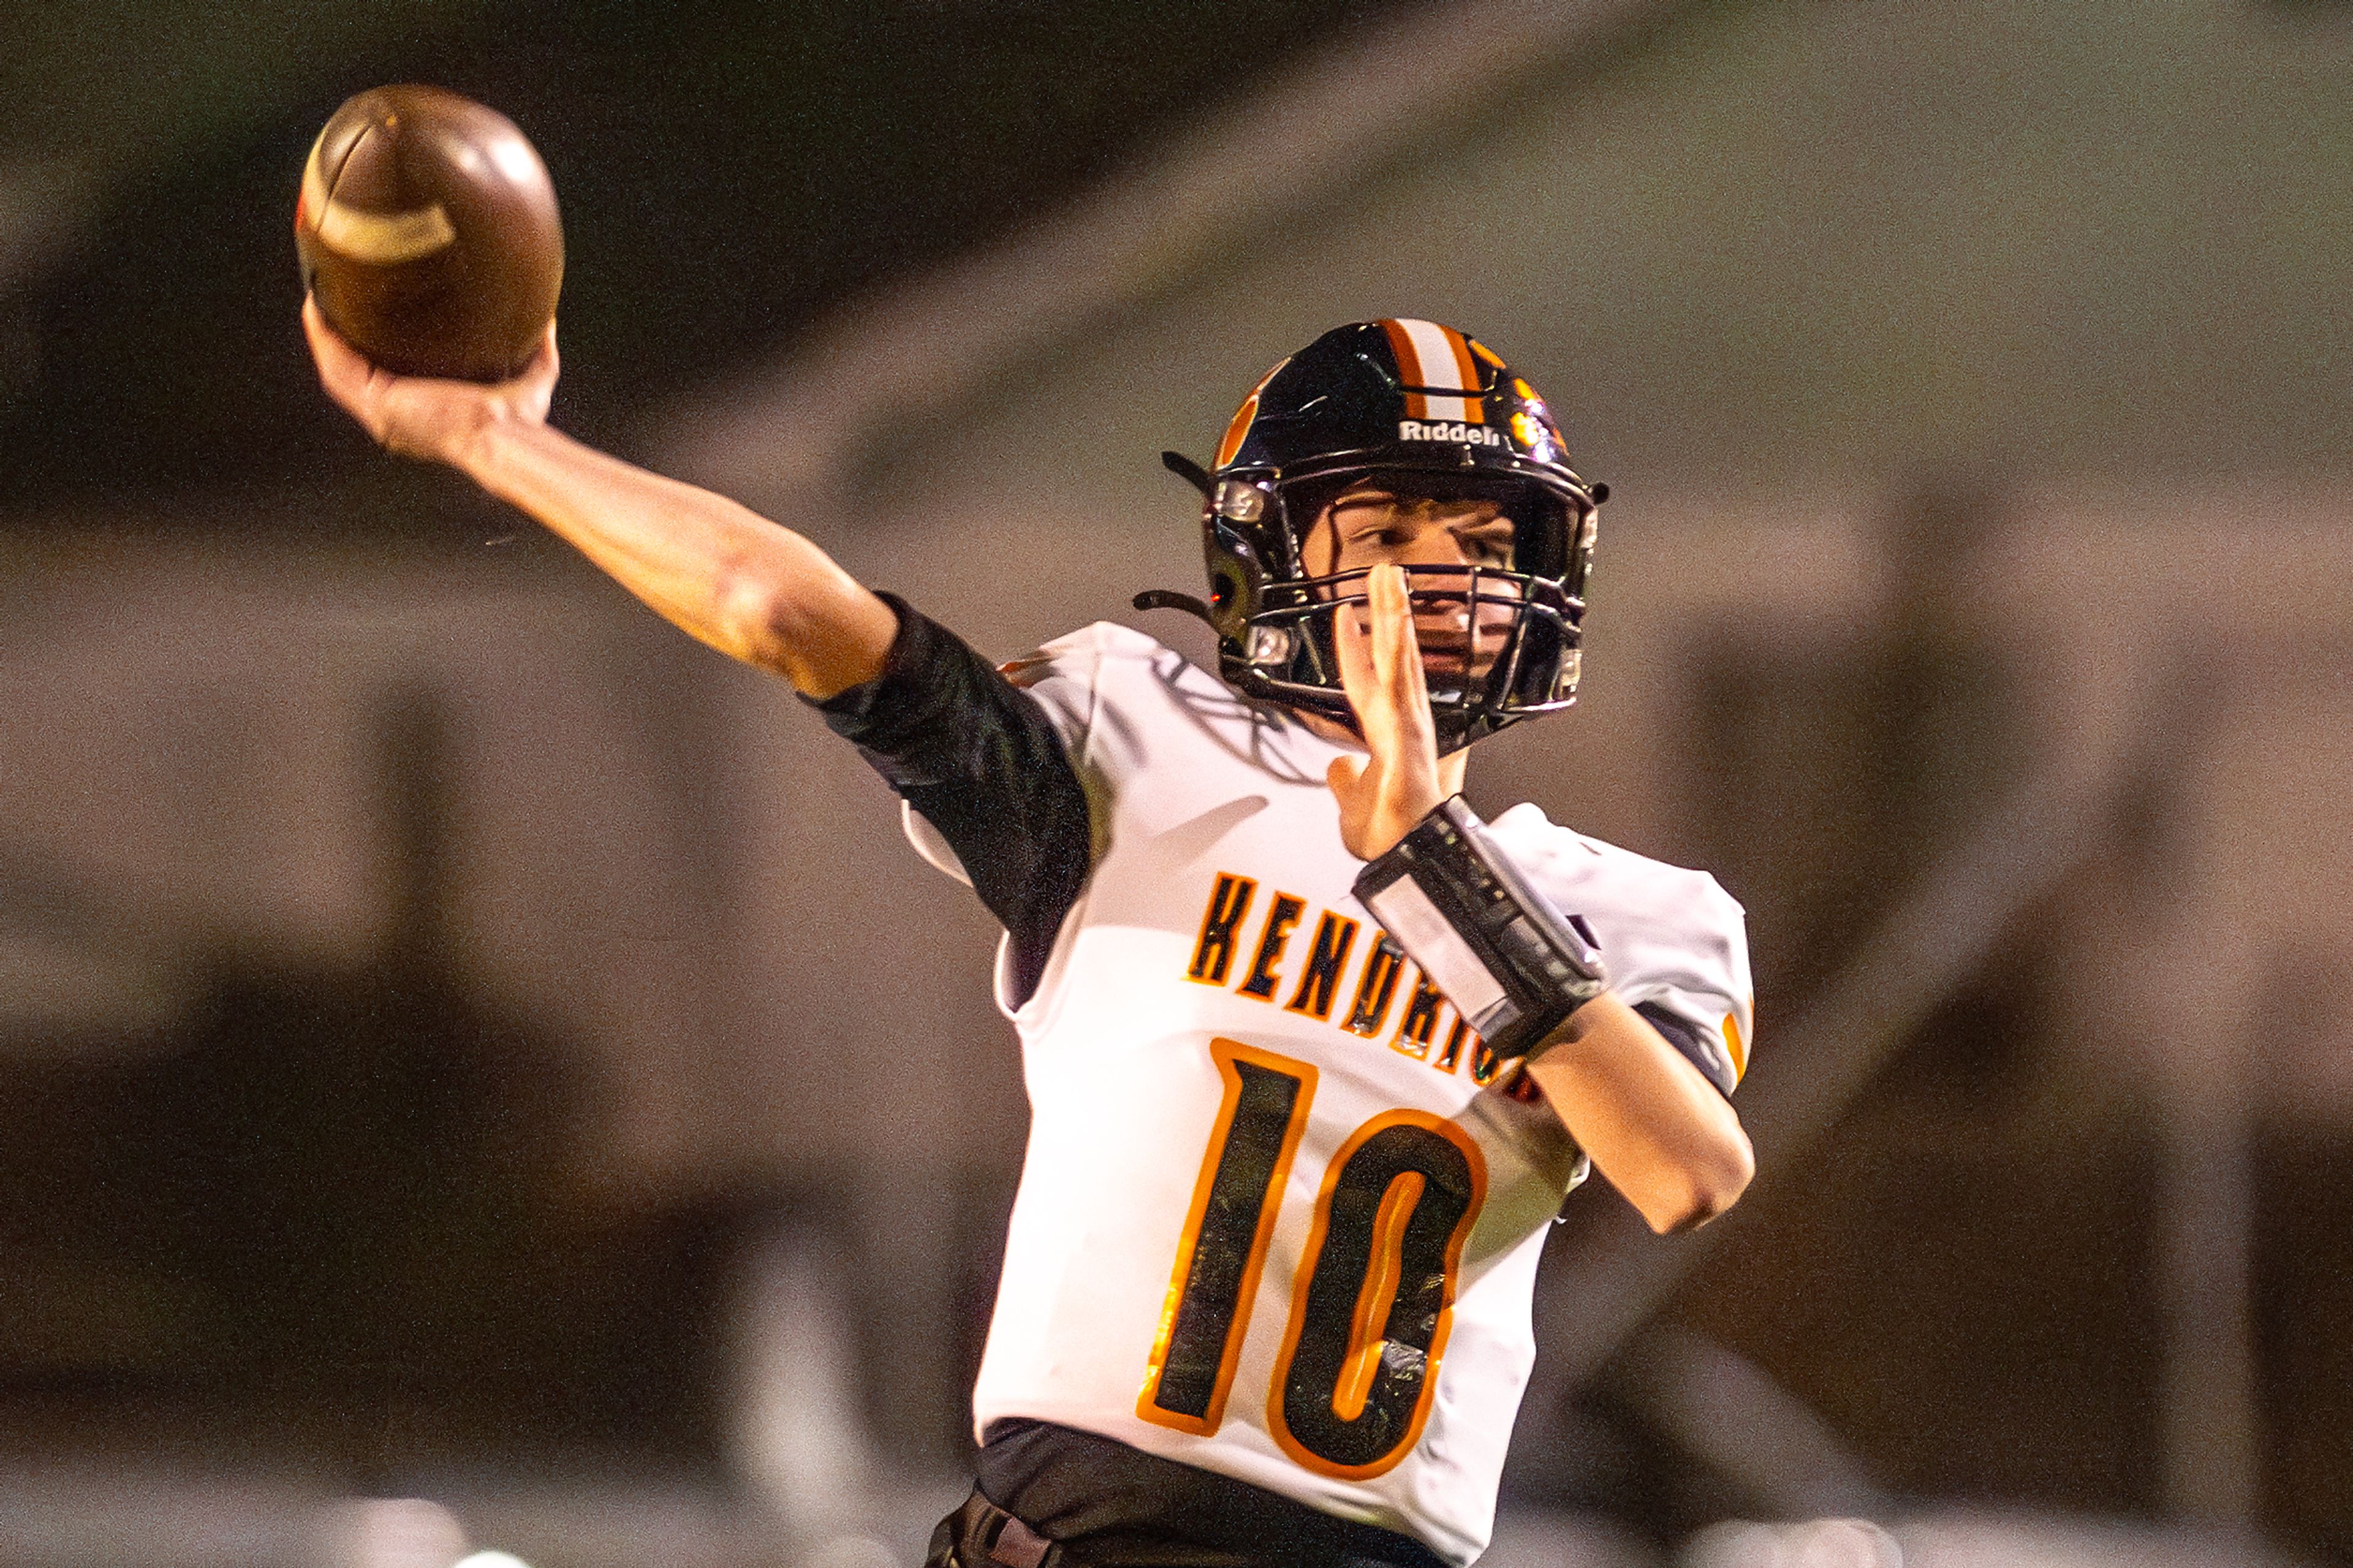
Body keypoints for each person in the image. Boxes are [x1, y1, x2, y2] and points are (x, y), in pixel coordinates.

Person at [304, 303, 1755, 1568]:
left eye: (1486, 540)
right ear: (1269, 553)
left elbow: (1684, 1168)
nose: (1441, 579)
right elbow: (786, 609)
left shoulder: (1633, 911)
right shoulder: (1134, 744)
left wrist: (1431, 864)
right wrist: (498, 442)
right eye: (1383, 531)